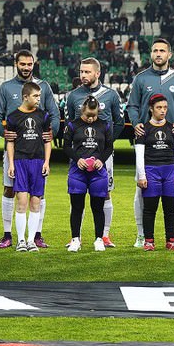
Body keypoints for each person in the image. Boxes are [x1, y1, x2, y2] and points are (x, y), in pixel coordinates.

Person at [124, 38, 174, 248]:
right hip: (147, 140)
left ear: (169, 54)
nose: (158, 54)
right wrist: (136, 124)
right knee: (141, 190)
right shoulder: (141, 78)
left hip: (172, 140)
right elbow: (132, 105)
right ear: (151, 54)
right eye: (155, 50)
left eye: (162, 50)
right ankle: (141, 235)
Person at [0, 50, 59, 249]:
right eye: (23, 64)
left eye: (30, 64)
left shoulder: (43, 86)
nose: (26, 67)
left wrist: (51, 133)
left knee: (39, 194)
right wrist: (4, 133)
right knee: (9, 189)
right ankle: (8, 235)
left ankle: (36, 235)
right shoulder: (6, 87)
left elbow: (54, 114)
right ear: (16, 64)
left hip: (37, 152)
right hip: (15, 152)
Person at [64, 57, 125, 247]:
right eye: (81, 71)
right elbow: (70, 124)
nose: (83, 75)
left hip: (103, 156)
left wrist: (105, 146)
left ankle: (104, 235)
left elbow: (119, 122)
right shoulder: (73, 96)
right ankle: (76, 237)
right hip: (80, 157)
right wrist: (78, 153)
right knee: (77, 195)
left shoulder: (111, 95)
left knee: (105, 193)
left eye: (87, 72)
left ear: (97, 73)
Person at [5, 81, 53, 252]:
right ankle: (21, 241)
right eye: (35, 96)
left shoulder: (43, 116)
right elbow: (10, 142)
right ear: (25, 97)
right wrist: (11, 164)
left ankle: (31, 241)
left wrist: (46, 162)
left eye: (39, 96)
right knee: (22, 202)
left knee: (35, 202)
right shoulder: (13, 117)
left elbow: (47, 141)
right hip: (20, 162)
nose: (39, 99)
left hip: (38, 162)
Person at [134, 94, 174, 252]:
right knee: (149, 209)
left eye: (165, 107)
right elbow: (139, 154)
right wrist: (141, 175)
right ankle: (149, 241)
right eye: (159, 108)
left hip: (170, 171)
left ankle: (171, 240)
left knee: (171, 209)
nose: (162, 111)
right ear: (151, 109)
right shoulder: (143, 129)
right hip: (151, 171)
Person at [64, 95, 114, 253]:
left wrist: (101, 160)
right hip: (77, 171)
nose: (91, 118)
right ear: (82, 111)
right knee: (77, 207)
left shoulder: (104, 125)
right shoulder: (73, 125)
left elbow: (109, 147)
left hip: (98, 173)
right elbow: (66, 146)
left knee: (97, 207)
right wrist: (77, 159)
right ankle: (75, 239)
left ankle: (99, 239)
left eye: (94, 115)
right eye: (88, 115)